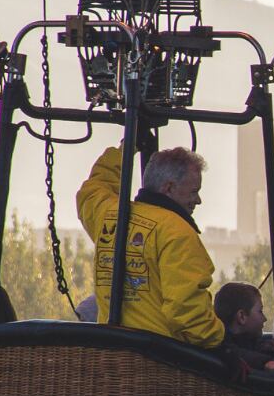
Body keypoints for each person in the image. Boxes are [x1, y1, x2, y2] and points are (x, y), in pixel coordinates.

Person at [77, 144, 224, 350]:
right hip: (158, 361)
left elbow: (93, 188)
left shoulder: (110, 215)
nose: (198, 200)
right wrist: (222, 343)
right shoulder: (178, 233)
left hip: (110, 352)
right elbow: (186, 311)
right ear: (169, 188)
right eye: (194, 191)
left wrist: (125, 149)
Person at [213, 281, 274, 376]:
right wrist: (266, 363)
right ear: (242, 316)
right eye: (260, 311)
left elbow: (265, 349)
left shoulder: (252, 341)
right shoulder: (220, 345)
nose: (265, 319)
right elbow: (235, 354)